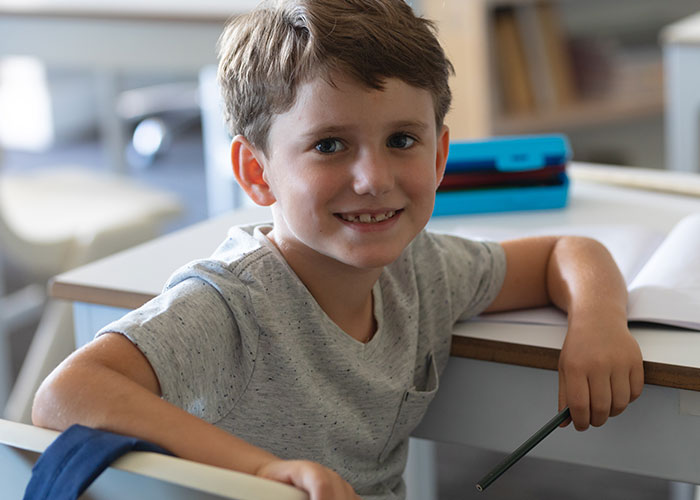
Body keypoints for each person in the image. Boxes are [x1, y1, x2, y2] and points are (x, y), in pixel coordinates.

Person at [32, 1, 644, 499]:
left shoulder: (421, 269)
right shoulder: (232, 304)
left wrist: (598, 321)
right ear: (257, 171)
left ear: (438, 157)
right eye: (329, 146)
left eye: (401, 139)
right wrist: (262, 472)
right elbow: (66, 393)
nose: (373, 178)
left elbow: (568, 251)